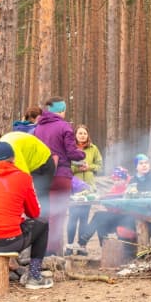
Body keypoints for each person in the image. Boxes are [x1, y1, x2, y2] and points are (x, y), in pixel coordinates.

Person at [0, 141, 52, 290]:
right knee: (43, 224)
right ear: (13, 159)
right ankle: (34, 276)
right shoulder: (23, 177)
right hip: (8, 242)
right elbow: (34, 213)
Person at [32, 96, 85, 255]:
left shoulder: (38, 128)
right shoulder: (64, 127)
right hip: (61, 175)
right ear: (61, 110)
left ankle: (40, 249)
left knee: (45, 213)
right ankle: (51, 252)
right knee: (58, 215)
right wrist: (80, 154)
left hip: (43, 177)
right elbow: (71, 152)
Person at [66, 124, 103, 255]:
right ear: (75, 135)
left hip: (88, 188)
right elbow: (65, 167)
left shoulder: (93, 149)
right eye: (80, 133)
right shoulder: (70, 148)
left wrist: (89, 167)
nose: (82, 135)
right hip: (74, 187)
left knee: (84, 218)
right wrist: (77, 168)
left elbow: (99, 166)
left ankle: (82, 246)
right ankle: (69, 247)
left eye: (84, 133)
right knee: (72, 217)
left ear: (88, 135)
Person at [0, 130, 55, 213]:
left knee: (39, 198)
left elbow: (25, 178)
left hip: (43, 162)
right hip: (28, 160)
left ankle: (41, 223)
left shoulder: (12, 153)